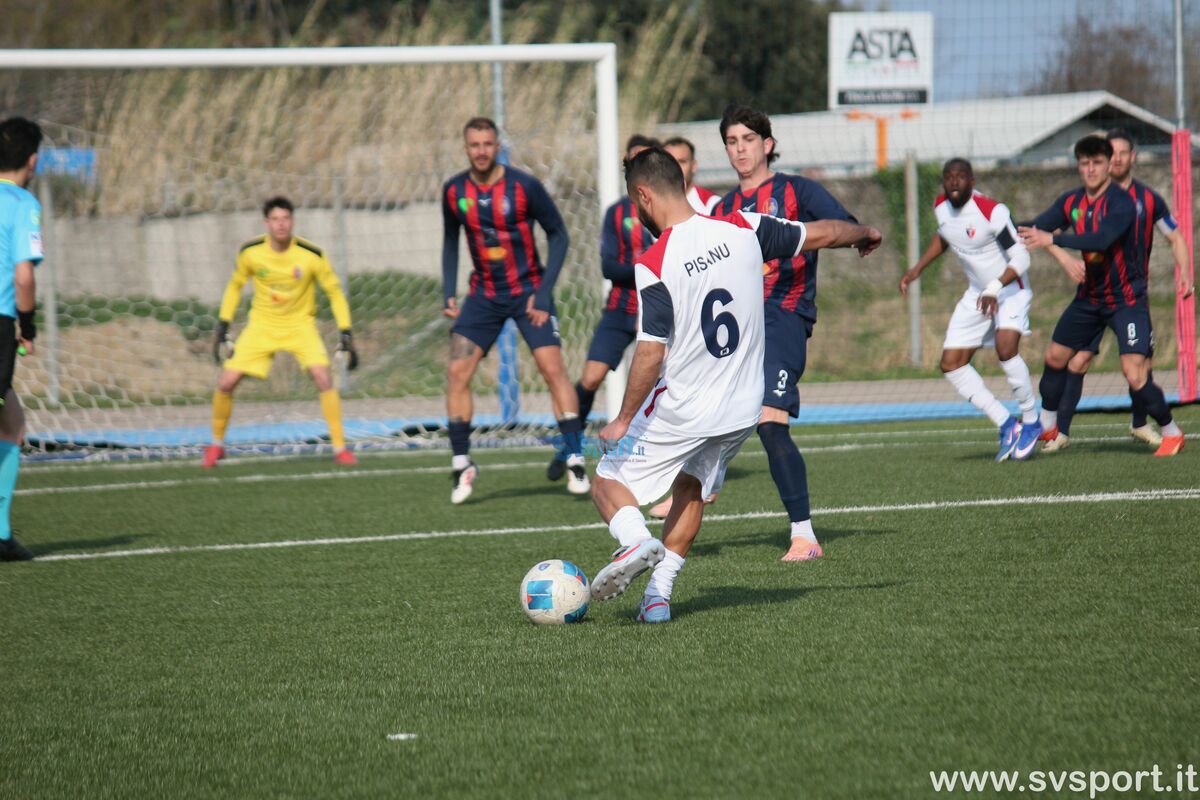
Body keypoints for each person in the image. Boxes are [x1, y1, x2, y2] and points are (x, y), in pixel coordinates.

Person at [588, 147, 881, 623]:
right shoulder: (744, 227)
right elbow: (823, 233)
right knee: (691, 486)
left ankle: (636, 541)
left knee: (606, 480)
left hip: (686, 405)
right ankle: (658, 597)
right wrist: (864, 233)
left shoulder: (655, 261)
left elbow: (650, 351)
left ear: (643, 195)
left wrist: (622, 419)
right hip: (744, 408)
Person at [679, 103, 858, 561]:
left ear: (767, 144)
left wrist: (861, 236)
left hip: (784, 315)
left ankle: (805, 536)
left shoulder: (797, 190)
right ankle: (703, 486)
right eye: (732, 142)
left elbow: (843, 227)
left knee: (770, 423)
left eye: (748, 140)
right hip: (739, 323)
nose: (740, 149)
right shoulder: (722, 208)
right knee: (706, 408)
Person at [443, 116, 586, 503]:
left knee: (553, 369)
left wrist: (544, 294)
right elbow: (451, 240)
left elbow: (559, 234)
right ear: (465, 147)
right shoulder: (454, 190)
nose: (481, 151)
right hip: (484, 295)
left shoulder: (524, 186)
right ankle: (461, 464)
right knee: (456, 371)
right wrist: (448, 293)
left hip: (528, 293)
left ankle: (575, 458)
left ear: (498, 146)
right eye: (475, 145)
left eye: (488, 144)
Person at [1019, 134, 1185, 457]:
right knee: (1055, 357)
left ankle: (1171, 431)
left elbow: (1100, 239)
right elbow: (1036, 226)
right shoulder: (1071, 201)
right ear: (1078, 166)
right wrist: (997, 220)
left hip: (1127, 301)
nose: (1091, 169)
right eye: (1085, 163)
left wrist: (1054, 240)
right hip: (1089, 299)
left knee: (1134, 373)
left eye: (1097, 162)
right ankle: (1048, 424)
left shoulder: (1122, 203)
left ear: (1109, 165)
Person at [899, 158, 1040, 461]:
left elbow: (1022, 258)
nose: (954, 181)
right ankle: (1007, 424)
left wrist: (994, 288)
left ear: (972, 182)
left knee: (1005, 348)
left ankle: (1031, 420)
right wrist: (917, 269)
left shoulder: (992, 212)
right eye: (948, 176)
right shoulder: (941, 207)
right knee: (951, 364)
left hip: (1010, 290)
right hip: (978, 293)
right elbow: (945, 236)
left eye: (961, 176)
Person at [203, 197, 359, 468]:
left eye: (285, 218)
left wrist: (346, 332)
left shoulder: (311, 255)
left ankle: (340, 448)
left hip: (300, 325)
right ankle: (216, 445)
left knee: (324, 378)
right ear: (266, 223)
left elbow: (334, 292)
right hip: (262, 326)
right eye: (275, 219)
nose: (281, 224)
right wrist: (223, 324)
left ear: (293, 221)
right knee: (226, 382)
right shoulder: (251, 252)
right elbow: (235, 286)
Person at [548, 135, 659, 482]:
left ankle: (664, 457)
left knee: (664, 382)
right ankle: (568, 447)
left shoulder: (668, 206)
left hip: (659, 310)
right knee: (591, 377)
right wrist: (646, 268)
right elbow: (609, 267)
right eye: (633, 161)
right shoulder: (617, 212)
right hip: (621, 308)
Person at [0, 117, 42, 562]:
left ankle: (1, 532)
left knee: (10, 422)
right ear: (32, 161)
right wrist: (27, 328)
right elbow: (23, 276)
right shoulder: (21, 202)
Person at [662, 136, 721, 215]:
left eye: (682, 161)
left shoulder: (712, 204)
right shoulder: (651, 204)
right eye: (669, 162)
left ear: (694, 166)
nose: (676, 167)